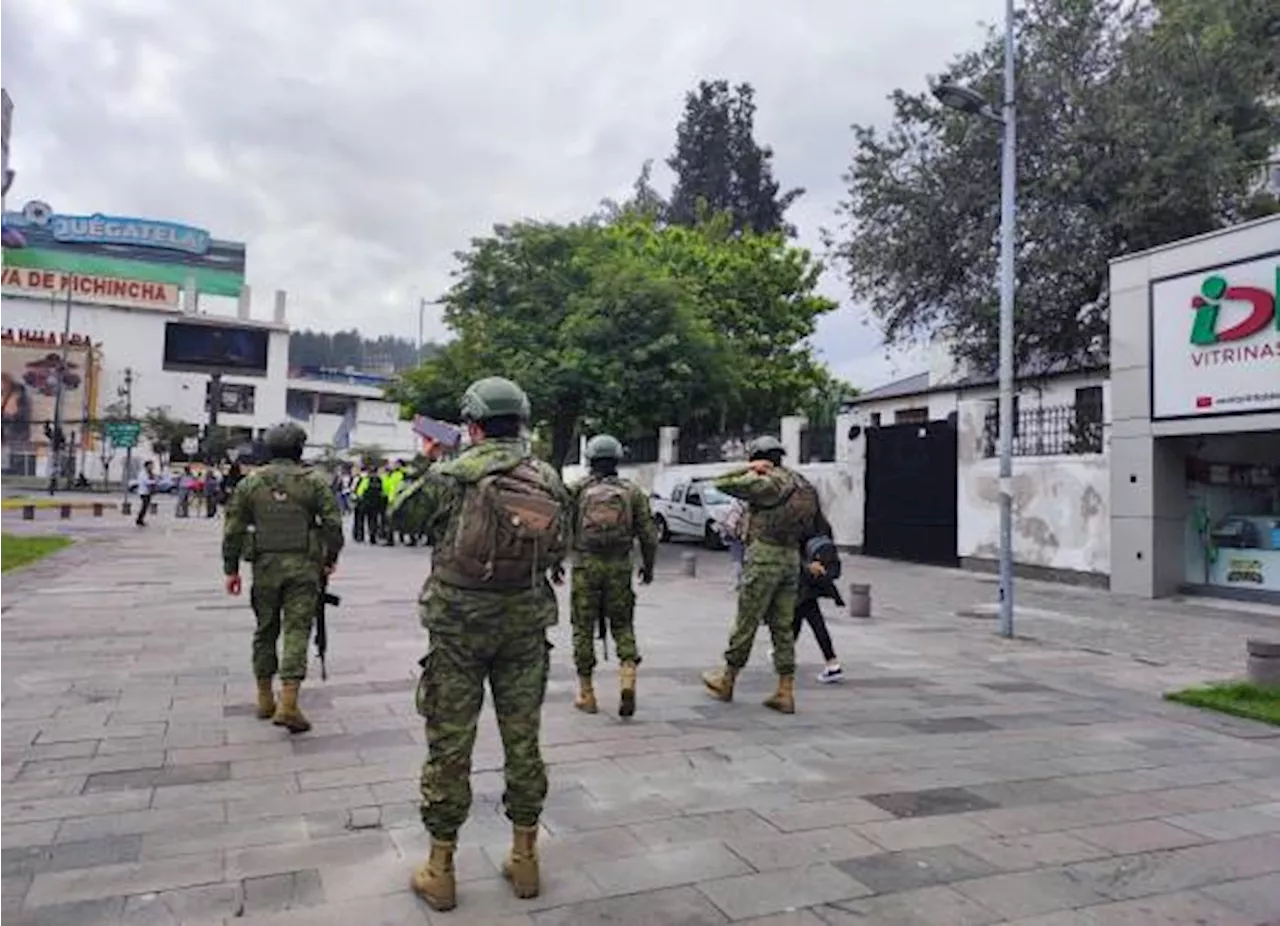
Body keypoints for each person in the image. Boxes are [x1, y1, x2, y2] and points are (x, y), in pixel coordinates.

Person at [390, 376, 569, 913]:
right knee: (523, 741)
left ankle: (441, 870)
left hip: (458, 629)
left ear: (472, 424)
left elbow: (401, 516)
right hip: (524, 626)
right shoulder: (548, 476)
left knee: (449, 745)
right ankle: (525, 861)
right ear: (523, 421)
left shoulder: (455, 473)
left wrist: (430, 462)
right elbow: (565, 540)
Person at [221, 423, 344, 735]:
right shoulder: (314, 483)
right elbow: (333, 525)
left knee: (265, 630)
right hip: (303, 568)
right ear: (299, 449)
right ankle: (288, 703)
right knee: (296, 630)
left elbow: (233, 528)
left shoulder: (251, 484)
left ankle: (264, 698)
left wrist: (231, 569)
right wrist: (330, 560)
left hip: (263, 567)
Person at [701, 435, 822, 715]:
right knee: (783, 626)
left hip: (764, 556)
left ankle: (727, 679)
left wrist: (750, 469)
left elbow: (721, 483)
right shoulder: (802, 483)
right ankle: (785, 690)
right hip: (791, 558)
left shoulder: (766, 482)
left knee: (747, 620)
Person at [567, 434, 658, 717]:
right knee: (622, 625)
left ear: (590, 461)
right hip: (619, 568)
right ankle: (627, 679)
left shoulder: (577, 491)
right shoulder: (632, 492)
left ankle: (587, 693)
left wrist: (557, 562)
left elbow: (561, 526)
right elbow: (648, 534)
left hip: (585, 567)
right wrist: (648, 565)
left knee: (582, 628)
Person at [794, 533, 845, 683]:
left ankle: (832, 663)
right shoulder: (820, 523)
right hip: (814, 579)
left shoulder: (798, 520)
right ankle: (783, 652)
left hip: (806, 579)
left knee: (814, 620)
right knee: (800, 615)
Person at [136, 461, 156, 527]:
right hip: (143, 492)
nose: (152, 467)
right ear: (147, 466)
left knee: (145, 507)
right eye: (150, 465)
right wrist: (154, 481)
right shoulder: (143, 473)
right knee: (144, 507)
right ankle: (139, 520)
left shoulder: (148, 473)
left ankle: (140, 519)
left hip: (147, 492)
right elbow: (146, 482)